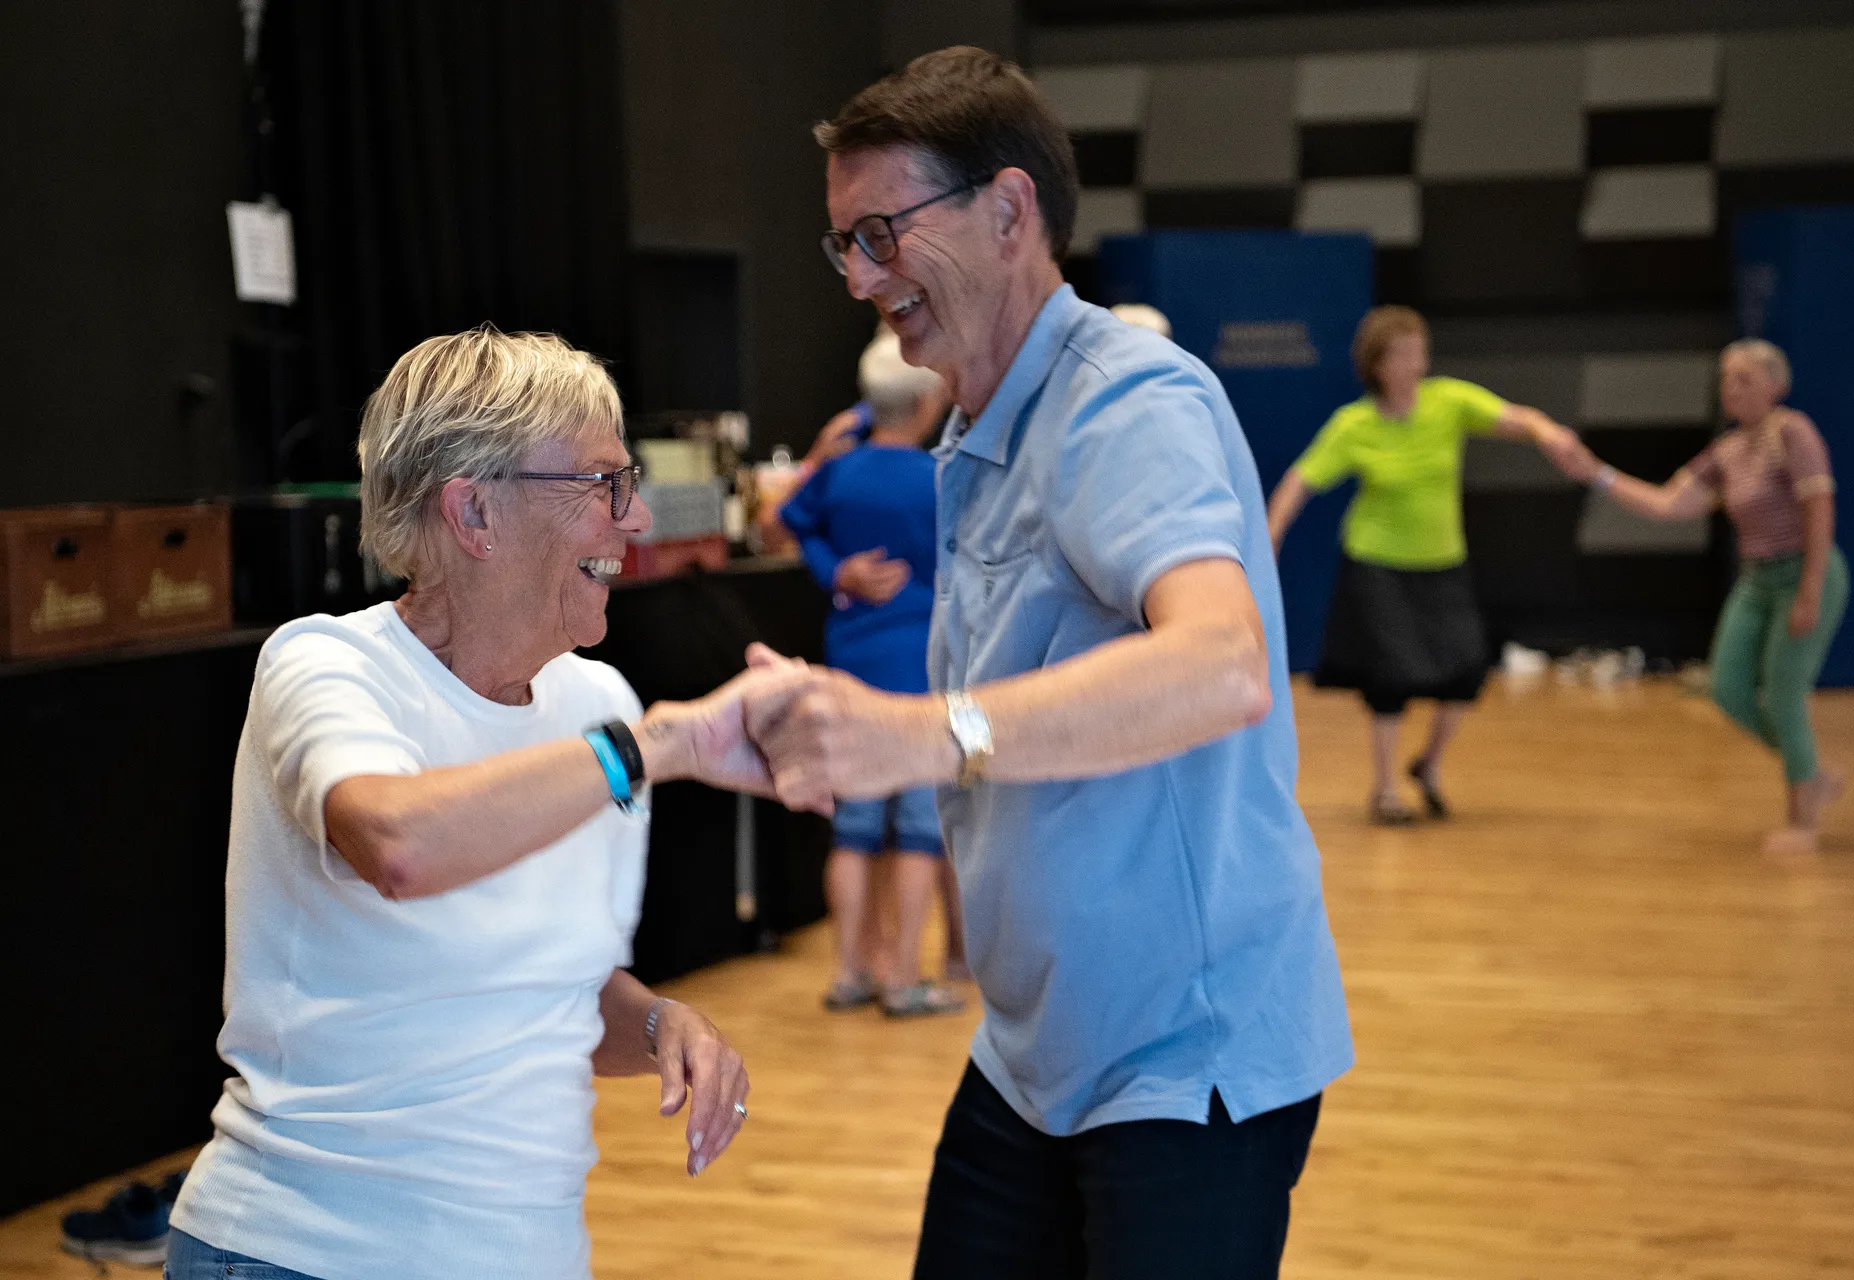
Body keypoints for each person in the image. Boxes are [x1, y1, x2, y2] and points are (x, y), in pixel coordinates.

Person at [745, 47, 1354, 1279]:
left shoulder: (1123, 405)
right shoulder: (978, 424)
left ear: (1010, 209)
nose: (861, 278)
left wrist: (919, 732)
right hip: (1032, 1056)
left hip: (1184, 1065)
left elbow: (1222, 663)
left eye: (882, 233)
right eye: (843, 245)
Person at [164, 328, 801, 1280]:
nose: (632, 522)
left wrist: (669, 1026)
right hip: (301, 1256)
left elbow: (554, 990)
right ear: (475, 513)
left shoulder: (597, 707)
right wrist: (664, 747)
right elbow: (403, 843)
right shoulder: (327, 666)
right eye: (602, 484)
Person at [1265, 305, 1587, 824]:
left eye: (1420, 350)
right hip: (1376, 564)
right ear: (1379, 364)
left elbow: (1517, 418)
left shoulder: (1449, 402)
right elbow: (1301, 479)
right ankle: (1385, 789)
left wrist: (1548, 432)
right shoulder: (1355, 425)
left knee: (1465, 669)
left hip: (1442, 563)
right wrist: (1271, 534)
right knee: (1390, 677)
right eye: (1404, 353)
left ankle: (1429, 765)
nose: (1417, 361)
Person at [1570, 339, 1849, 855]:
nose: (1731, 388)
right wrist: (1597, 474)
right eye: (1726, 377)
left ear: (1775, 386)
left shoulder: (1793, 433)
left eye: (1744, 378)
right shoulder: (1726, 451)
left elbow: (1819, 509)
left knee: (1784, 694)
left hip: (1803, 572)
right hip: (1758, 579)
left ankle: (1803, 822)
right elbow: (1667, 503)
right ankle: (1812, 773)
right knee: (1726, 688)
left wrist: (1810, 589)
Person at [779, 331, 967, 1017]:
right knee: (919, 828)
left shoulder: (839, 470)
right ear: (924, 401)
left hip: (852, 662)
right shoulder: (940, 477)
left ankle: (850, 971)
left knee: (854, 827)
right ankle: (905, 977)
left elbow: (791, 519)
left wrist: (838, 575)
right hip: (923, 670)